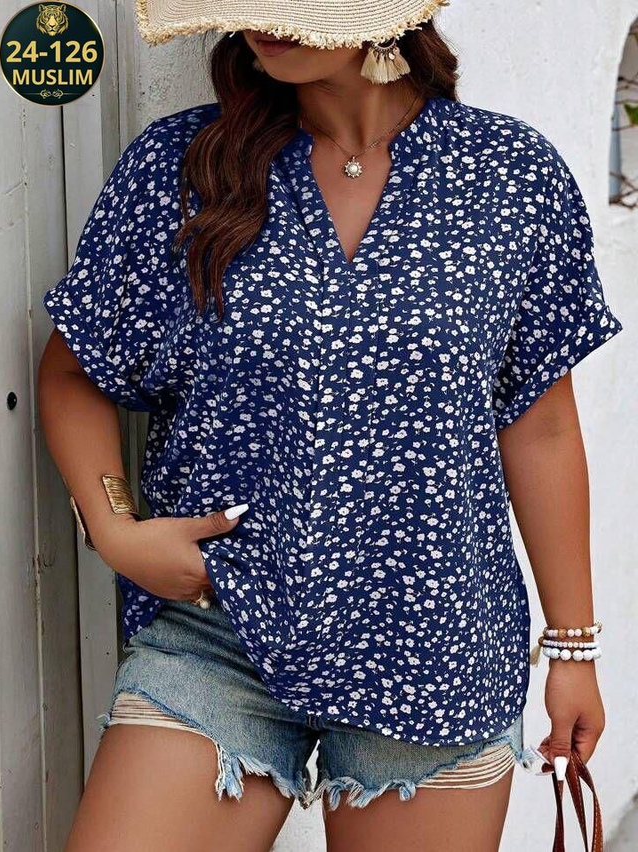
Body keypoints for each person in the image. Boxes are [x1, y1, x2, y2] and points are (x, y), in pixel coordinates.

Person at [37, 1, 622, 849]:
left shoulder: (509, 176)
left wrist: (573, 649)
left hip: (435, 639)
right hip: (220, 626)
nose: (268, 19)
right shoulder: (182, 165)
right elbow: (73, 370)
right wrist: (116, 528)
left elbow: (542, 427)